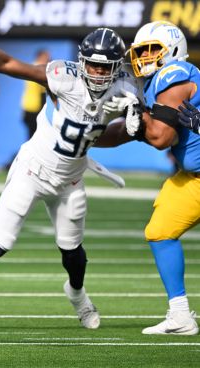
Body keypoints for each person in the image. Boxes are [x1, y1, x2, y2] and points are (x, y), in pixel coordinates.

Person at [0, 5, 141, 329]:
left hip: (71, 180)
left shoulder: (127, 92)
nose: (98, 74)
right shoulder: (64, 77)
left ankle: (77, 294)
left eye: (105, 69)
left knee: (72, 251)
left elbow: (103, 137)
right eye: (92, 65)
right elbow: (8, 64)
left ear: (117, 67)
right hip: (32, 169)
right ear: (81, 61)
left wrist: (135, 128)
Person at [114, 21, 199, 335]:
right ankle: (180, 316)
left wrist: (141, 120)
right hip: (192, 178)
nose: (146, 57)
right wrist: (86, 135)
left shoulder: (176, 73)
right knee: (161, 231)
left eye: (153, 50)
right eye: (142, 51)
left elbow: (161, 137)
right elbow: (131, 132)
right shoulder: (151, 85)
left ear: (173, 51)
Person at [21, 49, 50, 139]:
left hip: (29, 107)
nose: (48, 59)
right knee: (34, 137)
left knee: (34, 136)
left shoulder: (31, 67)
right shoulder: (37, 70)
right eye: (46, 57)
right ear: (40, 57)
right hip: (34, 109)